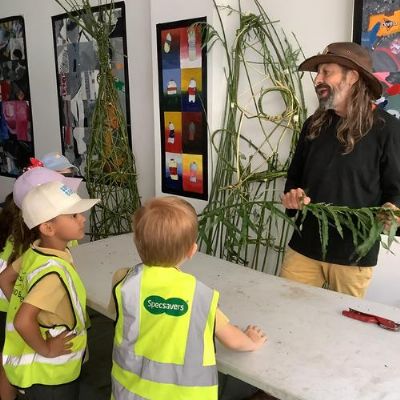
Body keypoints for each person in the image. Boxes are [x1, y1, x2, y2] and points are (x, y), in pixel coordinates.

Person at [111, 196, 267, 400]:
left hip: (130, 393)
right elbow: (233, 341)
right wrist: (252, 341)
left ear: (137, 243)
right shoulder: (199, 295)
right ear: (192, 250)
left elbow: (120, 315)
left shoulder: (123, 280)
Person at [280, 42, 400, 297]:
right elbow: (294, 177)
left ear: (353, 77)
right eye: (318, 73)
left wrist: (392, 210)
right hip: (305, 245)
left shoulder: (387, 129)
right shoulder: (314, 124)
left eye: (327, 72)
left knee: (344, 320)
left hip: (354, 254)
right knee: (286, 309)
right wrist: (293, 197)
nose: (317, 80)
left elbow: (396, 190)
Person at [2, 181, 99, 400]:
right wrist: (46, 349)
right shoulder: (53, 275)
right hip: (51, 377)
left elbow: (4, 279)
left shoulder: (36, 251)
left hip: (33, 370)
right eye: (73, 215)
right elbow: (22, 321)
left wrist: (22, 304)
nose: (83, 218)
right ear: (48, 228)